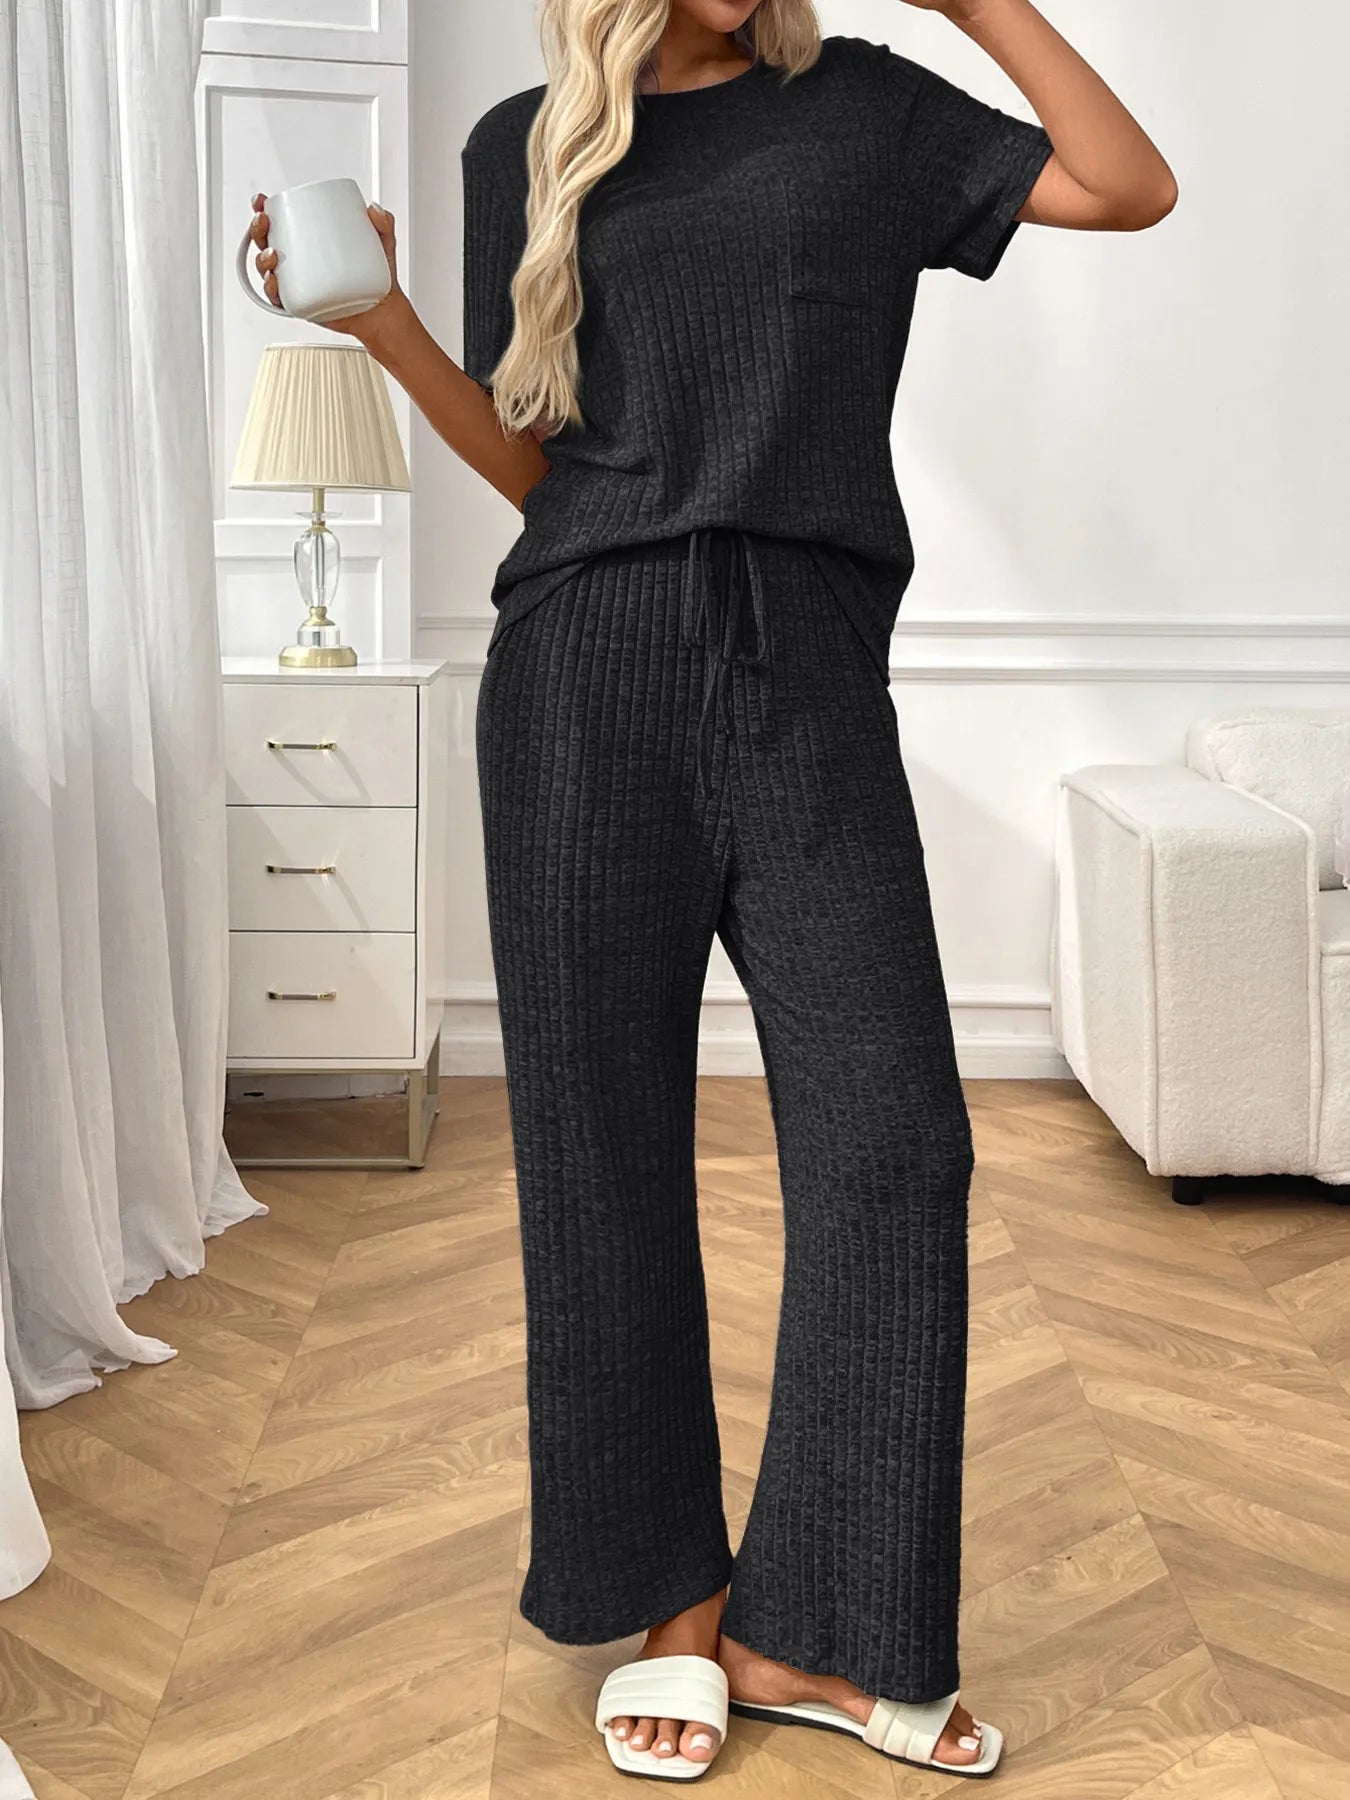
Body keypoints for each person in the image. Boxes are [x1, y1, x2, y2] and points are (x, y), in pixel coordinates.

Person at [250, 0, 1175, 1781]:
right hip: (583, 665)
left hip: (812, 665)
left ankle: (811, 1630)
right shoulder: (521, 144)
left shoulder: (870, 110)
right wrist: (375, 325)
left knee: (896, 1142)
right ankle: (672, 1607)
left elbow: (1127, 188)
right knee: (599, 1149)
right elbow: (539, 464)